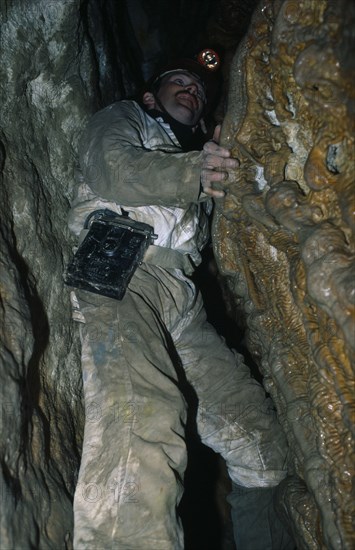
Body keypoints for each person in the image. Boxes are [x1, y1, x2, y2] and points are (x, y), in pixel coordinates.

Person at [67, 49, 293, 549]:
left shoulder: (197, 162)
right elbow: (112, 168)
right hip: (118, 266)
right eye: (179, 82)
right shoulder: (127, 119)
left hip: (181, 299)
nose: (191, 88)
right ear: (151, 96)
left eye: (198, 87)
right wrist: (191, 173)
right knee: (143, 417)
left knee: (260, 439)